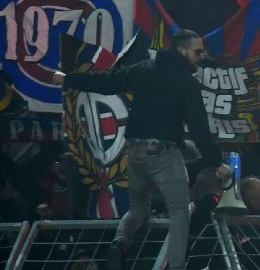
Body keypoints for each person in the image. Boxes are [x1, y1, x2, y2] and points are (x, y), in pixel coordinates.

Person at [51, 30, 229, 270]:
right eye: (198, 51)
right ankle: (176, 266)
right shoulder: (187, 82)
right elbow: (199, 128)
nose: (201, 56)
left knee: (138, 209)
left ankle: (119, 242)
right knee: (179, 212)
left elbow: (107, 82)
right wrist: (217, 162)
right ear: (182, 50)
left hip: (134, 153)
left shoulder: (144, 68)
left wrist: (68, 79)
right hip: (163, 153)